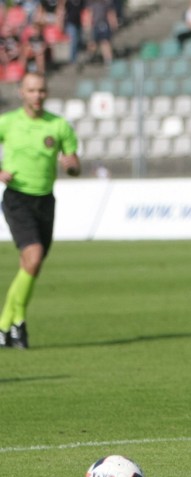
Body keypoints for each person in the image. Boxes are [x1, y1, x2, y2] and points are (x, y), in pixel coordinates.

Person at [0, 72, 80, 349]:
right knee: (32, 258)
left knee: (31, 266)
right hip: (17, 198)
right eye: (32, 90)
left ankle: (2, 328)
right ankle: (18, 323)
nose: (37, 96)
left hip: (45, 201)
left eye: (41, 91)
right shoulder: (7, 123)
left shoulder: (58, 126)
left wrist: (71, 166)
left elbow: (73, 163)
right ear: (21, 92)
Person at [84, 0, 118, 66]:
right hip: (95, 25)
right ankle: (89, 57)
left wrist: (113, 23)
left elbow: (110, 13)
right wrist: (88, 25)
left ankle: (108, 60)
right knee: (92, 44)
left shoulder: (107, 2)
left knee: (105, 43)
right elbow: (89, 13)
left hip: (104, 24)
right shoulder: (91, 3)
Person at [57, 0, 87, 67]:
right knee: (74, 40)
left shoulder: (81, 2)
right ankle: (73, 59)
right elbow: (63, 11)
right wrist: (61, 23)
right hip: (70, 23)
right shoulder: (68, 2)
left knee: (79, 40)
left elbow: (84, 11)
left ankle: (77, 57)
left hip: (78, 23)